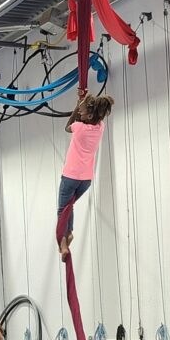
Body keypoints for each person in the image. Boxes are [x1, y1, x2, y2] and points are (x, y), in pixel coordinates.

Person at [58, 92, 115, 260]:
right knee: (69, 206)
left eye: (82, 112)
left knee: (63, 210)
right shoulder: (100, 127)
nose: (79, 114)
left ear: (89, 115)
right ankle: (69, 234)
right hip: (86, 180)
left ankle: (62, 242)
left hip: (70, 176)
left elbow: (68, 126)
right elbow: (92, 115)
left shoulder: (79, 128)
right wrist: (83, 102)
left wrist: (76, 107)